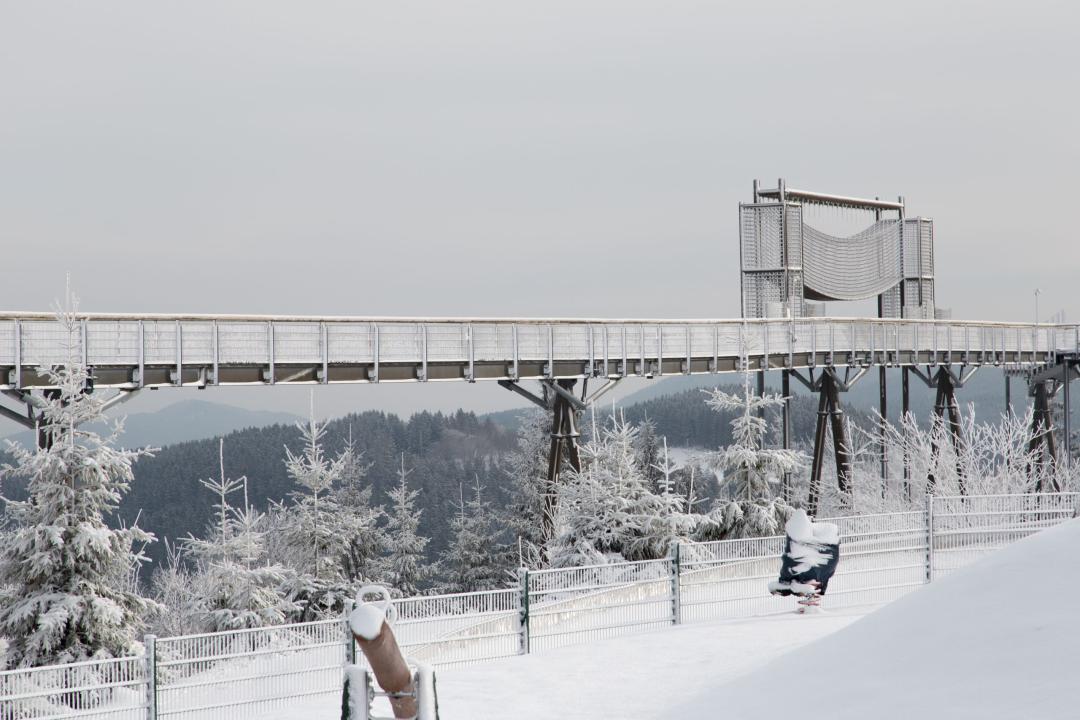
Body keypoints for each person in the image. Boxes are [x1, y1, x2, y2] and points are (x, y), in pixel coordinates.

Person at [768, 509, 840, 611]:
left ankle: (808, 600)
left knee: (800, 565)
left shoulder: (801, 546)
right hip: (816, 566)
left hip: (811, 568)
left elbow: (792, 562)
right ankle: (805, 594)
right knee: (798, 564)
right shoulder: (803, 545)